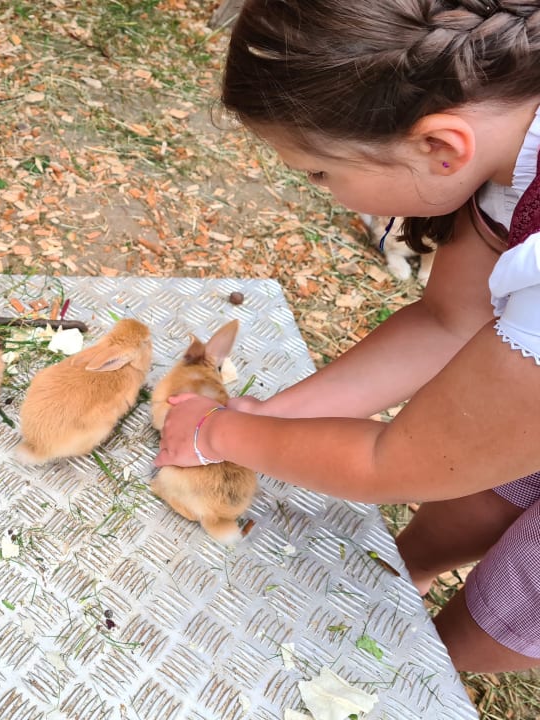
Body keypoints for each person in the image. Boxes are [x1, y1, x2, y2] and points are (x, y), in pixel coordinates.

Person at [154, 0, 540, 674]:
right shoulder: (506, 138)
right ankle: (404, 581)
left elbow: (396, 463)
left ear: (440, 146)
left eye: (321, 173)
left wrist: (217, 433)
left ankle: (422, 670)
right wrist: (269, 416)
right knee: (490, 488)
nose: (325, 193)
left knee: (519, 598)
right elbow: (450, 320)